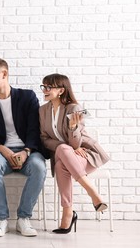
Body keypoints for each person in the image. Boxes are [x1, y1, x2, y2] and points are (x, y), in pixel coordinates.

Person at [0, 58, 47, 237]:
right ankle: (1, 220)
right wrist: (5, 151)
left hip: (28, 150)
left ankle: (23, 218)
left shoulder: (27, 97)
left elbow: (34, 130)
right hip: (2, 151)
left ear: (5, 74)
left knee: (39, 167)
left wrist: (25, 152)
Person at [39, 73, 109, 234]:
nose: (45, 90)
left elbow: (76, 144)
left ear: (61, 90)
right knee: (63, 150)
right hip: (63, 153)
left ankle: (68, 214)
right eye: (44, 86)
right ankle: (94, 194)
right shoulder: (42, 110)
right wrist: (65, 148)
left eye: (49, 87)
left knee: (62, 166)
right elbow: (43, 139)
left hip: (83, 156)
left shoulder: (74, 109)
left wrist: (72, 127)